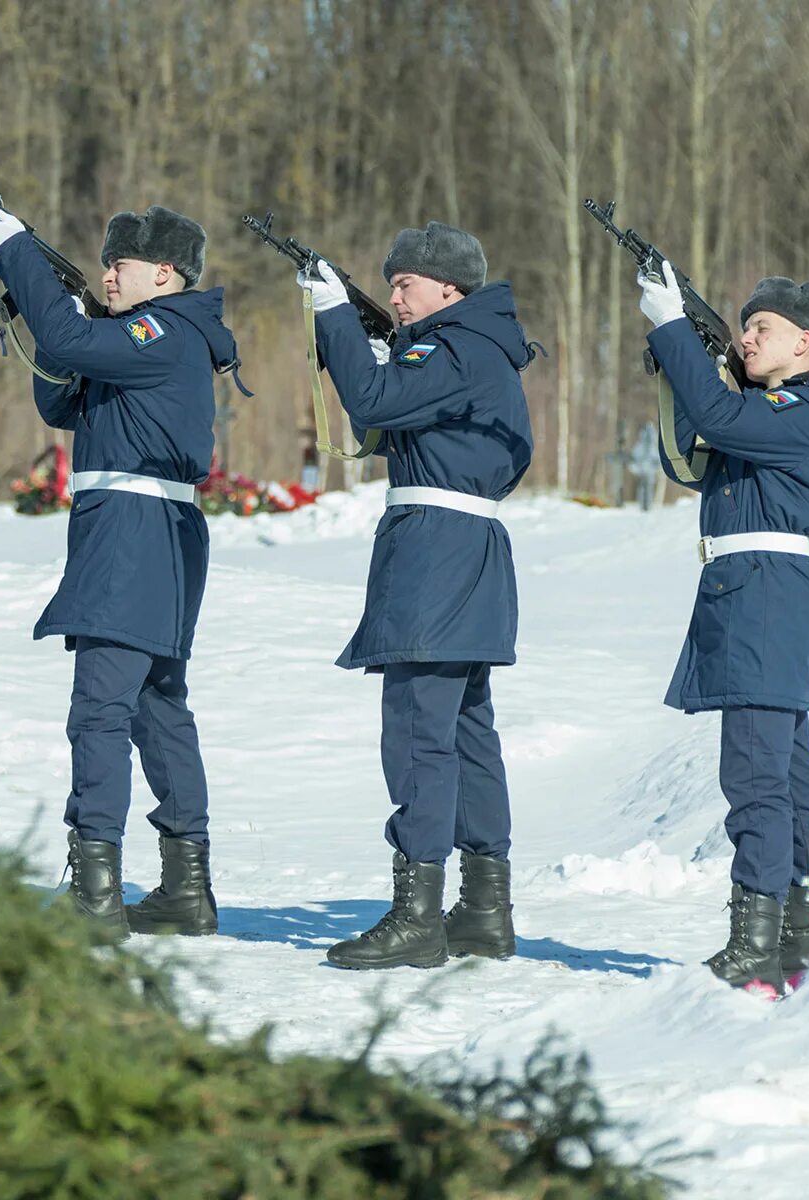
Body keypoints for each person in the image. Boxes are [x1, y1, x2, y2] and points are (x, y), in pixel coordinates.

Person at [0, 202, 239, 943]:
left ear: (164, 273)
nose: (105, 275)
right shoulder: (143, 336)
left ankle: (95, 890)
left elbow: (67, 339)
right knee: (157, 706)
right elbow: (63, 394)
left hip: (134, 532)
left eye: (117, 266)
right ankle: (186, 888)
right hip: (143, 532)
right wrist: (64, 316)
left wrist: (18, 255)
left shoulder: (164, 328)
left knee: (99, 708)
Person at [303, 222, 536, 970]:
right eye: (391, 284)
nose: (396, 297)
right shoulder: (477, 349)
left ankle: (417, 916)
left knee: (417, 729)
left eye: (407, 284)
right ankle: (483, 908)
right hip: (465, 546)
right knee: (467, 730)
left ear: (451, 291)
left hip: (436, 546)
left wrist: (336, 316)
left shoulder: (453, 346)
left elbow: (371, 403)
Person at [636, 264, 809, 996]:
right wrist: (689, 365)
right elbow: (695, 456)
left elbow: (721, 421)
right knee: (788, 764)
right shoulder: (773, 410)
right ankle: (804, 917)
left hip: (767, 588)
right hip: (754, 587)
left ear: (806, 341)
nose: (746, 337)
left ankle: (756, 935)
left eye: (759, 327)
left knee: (755, 770)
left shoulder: (805, 409)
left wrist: (672, 326)